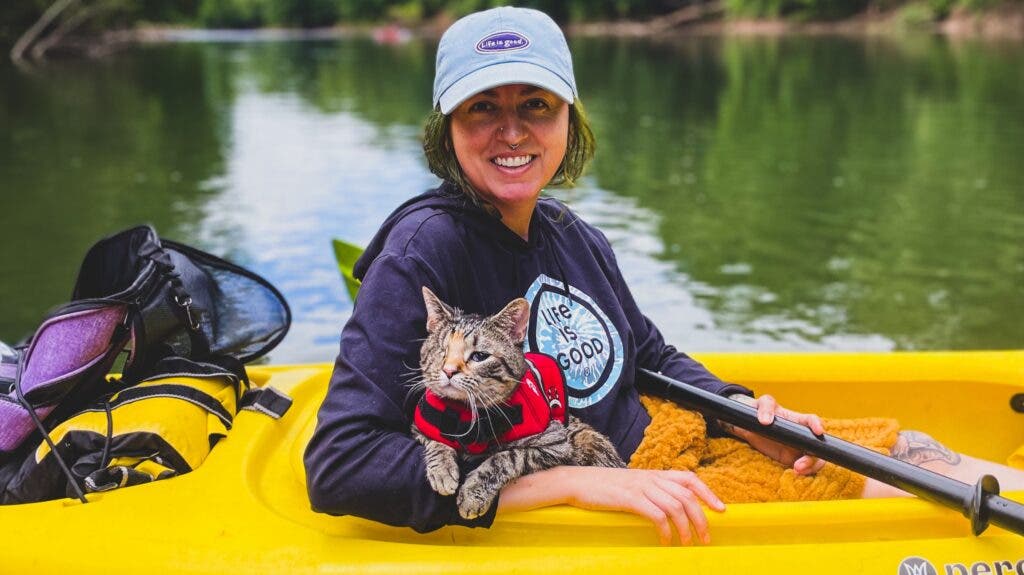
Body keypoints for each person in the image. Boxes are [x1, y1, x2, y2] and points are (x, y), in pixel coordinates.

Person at [304, 7, 1024, 545]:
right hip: (625, 480)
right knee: (886, 487)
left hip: (675, 440)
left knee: (906, 448)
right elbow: (341, 461)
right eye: (482, 108)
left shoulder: (568, 233)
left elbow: (647, 357)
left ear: (567, 120)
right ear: (446, 127)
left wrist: (743, 412)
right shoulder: (423, 250)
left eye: (536, 105)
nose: (513, 130)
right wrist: (569, 482)